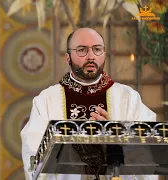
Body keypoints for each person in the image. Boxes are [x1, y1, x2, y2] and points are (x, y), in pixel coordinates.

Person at [20, 28, 157, 180]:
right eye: (82, 50)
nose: (91, 56)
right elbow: (33, 156)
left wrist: (114, 139)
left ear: (104, 54)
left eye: (97, 49)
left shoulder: (128, 98)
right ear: (67, 58)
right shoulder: (47, 100)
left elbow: (147, 153)